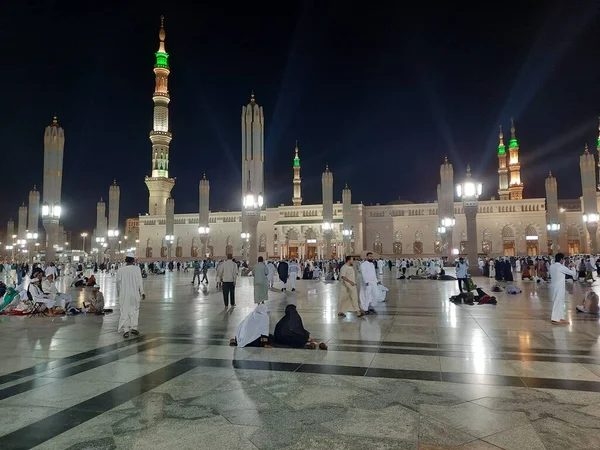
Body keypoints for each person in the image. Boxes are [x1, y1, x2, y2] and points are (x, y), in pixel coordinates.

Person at [116, 253, 145, 338]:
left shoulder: (120, 270)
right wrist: (142, 292)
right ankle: (134, 328)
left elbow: (118, 284)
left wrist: (119, 294)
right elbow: (140, 282)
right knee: (135, 311)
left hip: (124, 294)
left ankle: (126, 330)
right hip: (134, 294)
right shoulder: (137, 269)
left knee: (124, 311)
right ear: (133, 261)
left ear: (125, 260)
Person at [549, 253, 577, 326]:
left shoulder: (552, 266)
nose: (564, 260)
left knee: (560, 302)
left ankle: (560, 317)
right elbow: (573, 273)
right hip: (559, 287)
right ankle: (555, 319)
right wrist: (573, 267)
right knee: (558, 302)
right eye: (563, 259)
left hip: (554, 286)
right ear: (561, 259)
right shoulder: (561, 267)